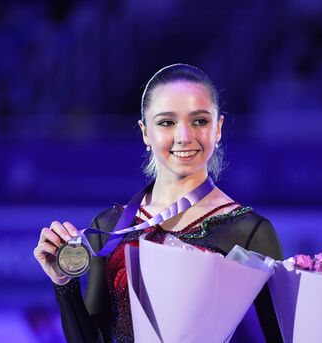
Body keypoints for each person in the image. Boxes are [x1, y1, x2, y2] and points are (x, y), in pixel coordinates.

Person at [33, 63, 283, 342]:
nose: (184, 136)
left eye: (199, 121)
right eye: (167, 122)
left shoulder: (249, 232)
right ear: (144, 131)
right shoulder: (110, 228)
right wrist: (63, 283)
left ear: (218, 128)